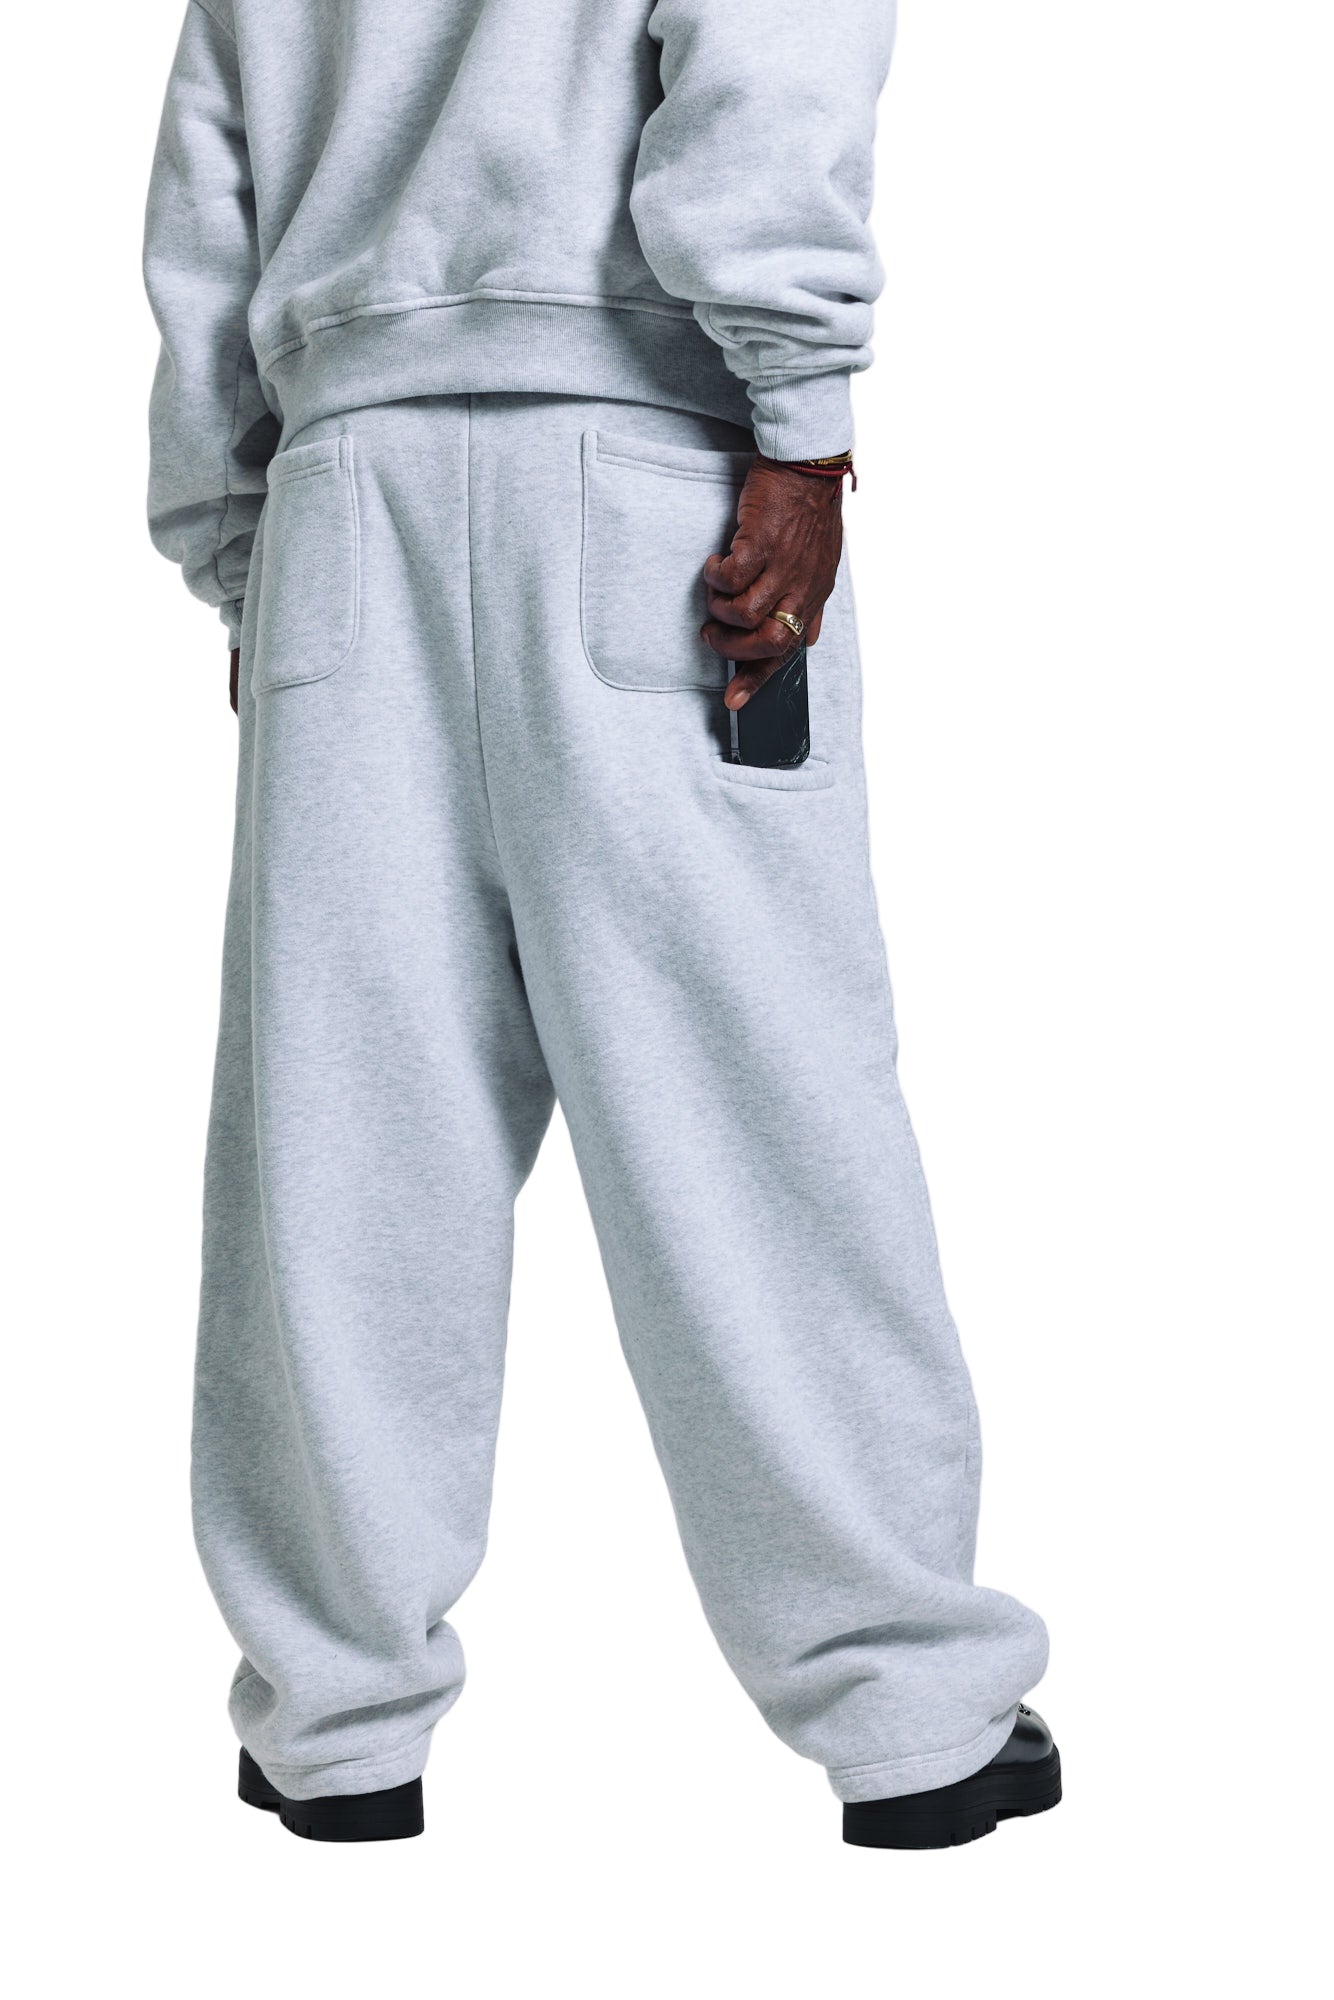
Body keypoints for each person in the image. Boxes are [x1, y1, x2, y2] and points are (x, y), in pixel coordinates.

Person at [145, 0, 1059, 1849]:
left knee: (344, 1141)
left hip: (340, 500)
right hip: (648, 486)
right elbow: (763, 78)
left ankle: (334, 1725)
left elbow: (204, 212)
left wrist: (244, 547)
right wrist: (799, 432)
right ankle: (903, 1715)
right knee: (752, 1116)